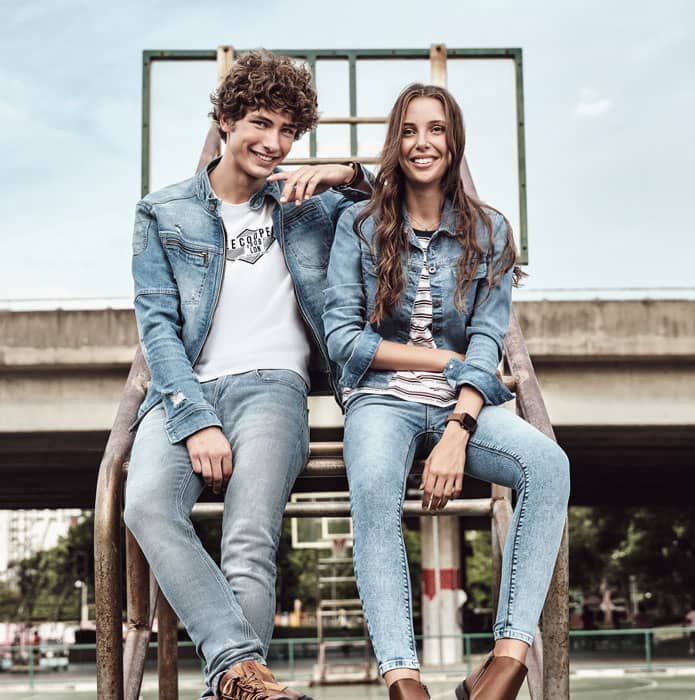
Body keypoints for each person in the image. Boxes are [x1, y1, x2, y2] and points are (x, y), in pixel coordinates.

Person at [123, 50, 370, 700]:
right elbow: (158, 328)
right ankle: (239, 671)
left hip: (273, 387)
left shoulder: (310, 203)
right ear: (227, 120)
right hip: (183, 392)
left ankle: (230, 685)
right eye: (261, 123)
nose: (275, 143)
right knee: (145, 505)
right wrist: (196, 419)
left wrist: (349, 171)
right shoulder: (162, 211)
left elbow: (408, 204)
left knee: (248, 539)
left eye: (288, 131)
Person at [323, 83, 570, 700]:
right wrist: (441, 359)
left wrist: (459, 429)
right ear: (395, 142)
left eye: (435, 129)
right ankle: (403, 679)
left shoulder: (489, 231)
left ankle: (507, 662)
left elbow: (487, 340)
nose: (422, 142)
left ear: (454, 141)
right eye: (409, 130)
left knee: (548, 464)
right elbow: (343, 339)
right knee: (373, 487)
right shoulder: (360, 224)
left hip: (461, 402)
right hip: (380, 397)